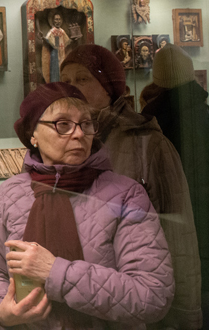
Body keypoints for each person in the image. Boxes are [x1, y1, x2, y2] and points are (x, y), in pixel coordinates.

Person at [0, 83, 174, 328]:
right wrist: (1, 311)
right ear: (33, 135)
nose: (79, 134)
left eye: (86, 124)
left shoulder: (126, 194)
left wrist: (55, 272)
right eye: (63, 124)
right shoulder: (10, 193)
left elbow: (152, 295)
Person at [60, 44, 202, 328]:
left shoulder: (147, 143)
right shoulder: (55, 141)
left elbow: (178, 233)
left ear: (109, 86)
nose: (72, 88)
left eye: (83, 78)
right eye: (65, 80)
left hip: (130, 303)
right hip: (70, 301)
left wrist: (185, 314)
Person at [142, 44, 209, 322]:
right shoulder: (204, 114)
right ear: (190, 73)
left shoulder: (150, 123)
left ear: (157, 80)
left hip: (169, 218)